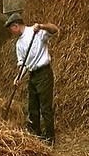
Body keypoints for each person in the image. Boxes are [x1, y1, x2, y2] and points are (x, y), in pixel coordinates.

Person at [4, 12, 58, 146]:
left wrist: (42, 26)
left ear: (15, 26)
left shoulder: (36, 32)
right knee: (33, 107)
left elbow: (55, 29)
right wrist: (18, 78)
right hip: (33, 76)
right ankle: (36, 135)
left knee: (45, 108)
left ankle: (50, 139)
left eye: (10, 28)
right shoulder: (19, 44)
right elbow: (23, 65)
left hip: (44, 74)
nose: (11, 32)